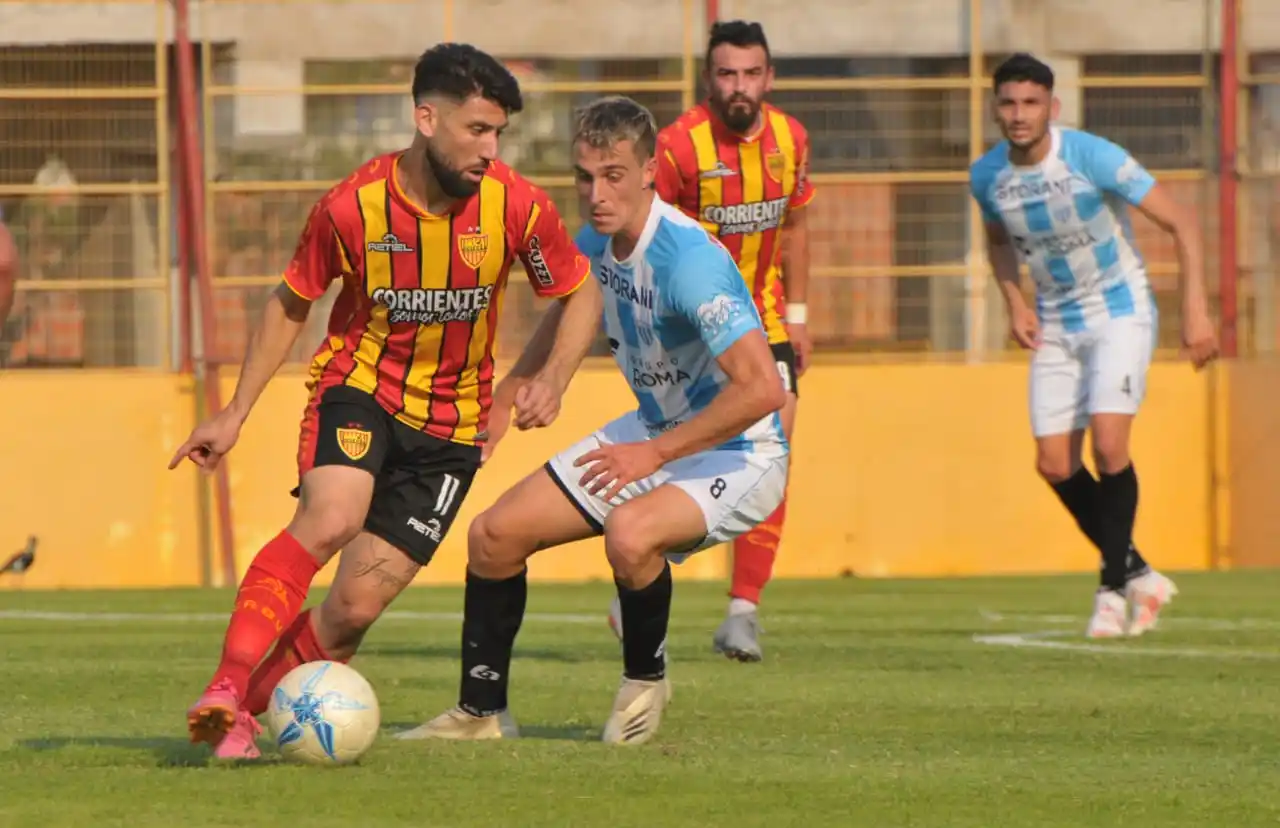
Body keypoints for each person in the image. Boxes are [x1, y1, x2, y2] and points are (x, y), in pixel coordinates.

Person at [171, 43, 602, 759]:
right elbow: (291, 302)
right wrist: (234, 412)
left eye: (498, 133)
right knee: (331, 516)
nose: (490, 149)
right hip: (361, 389)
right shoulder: (352, 207)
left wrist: (554, 376)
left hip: (452, 428)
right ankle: (227, 682)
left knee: (352, 611)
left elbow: (579, 289)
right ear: (425, 118)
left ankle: (236, 716)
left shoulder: (516, 205)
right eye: (476, 130)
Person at [394, 95, 789, 746]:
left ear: (649, 172)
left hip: (739, 451)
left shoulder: (689, 262)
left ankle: (646, 681)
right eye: (584, 176)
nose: (596, 193)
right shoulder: (599, 240)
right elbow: (577, 298)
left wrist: (654, 456)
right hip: (655, 431)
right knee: (494, 537)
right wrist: (526, 388)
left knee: (630, 535)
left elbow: (763, 389)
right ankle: (480, 713)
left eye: (612, 175)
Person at [969, 53, 1219, 639]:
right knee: (1054, 463)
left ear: (1052, 108)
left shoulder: (1091, 156)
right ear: (995, 108)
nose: (1019, 115)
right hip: (1056, 322)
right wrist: (1015, 303)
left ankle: (1112, 588)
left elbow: (1182, 222)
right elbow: (998, 240)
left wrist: (1198, 312)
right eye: (1008, 103)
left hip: (1119, 312)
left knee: (1110, 446)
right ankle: (1139, 574)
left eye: (1031, 103)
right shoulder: (988, 177)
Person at [604, 19, 814, 663]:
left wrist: (800, 313)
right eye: (727, 73)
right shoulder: (677, 146)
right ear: (709, 78)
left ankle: (743, 610)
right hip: (689, 335)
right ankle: (642, 555)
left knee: (771, 449)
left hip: (765, 323)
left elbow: (798, 224)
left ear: (769, 77)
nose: (739, 86)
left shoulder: (791, 138)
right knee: (687, 452)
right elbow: (644, 233)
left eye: (751, 73)